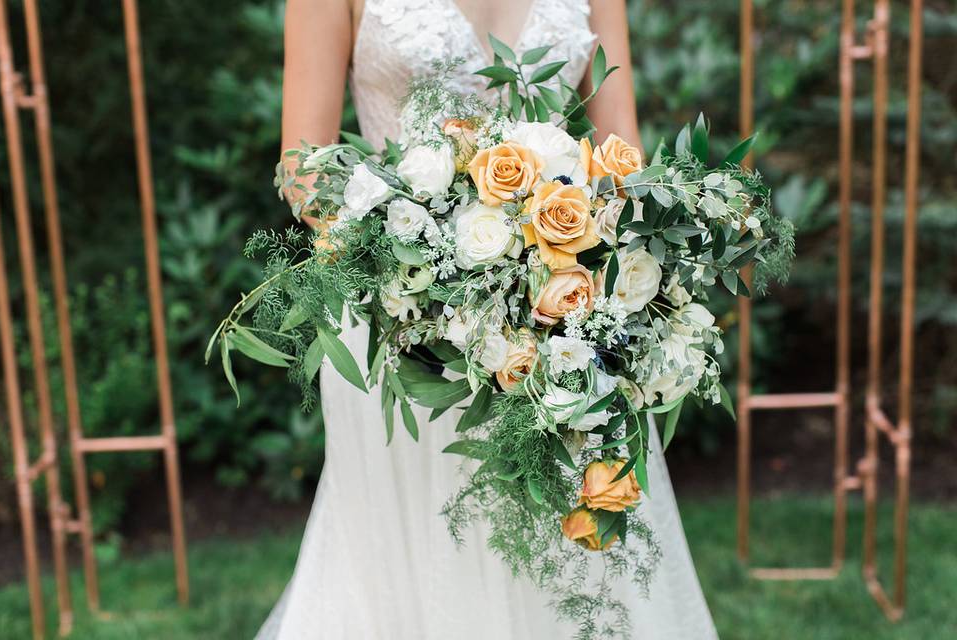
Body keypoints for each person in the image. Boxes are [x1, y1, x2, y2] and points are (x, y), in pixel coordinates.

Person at [259, 1, 717, 638]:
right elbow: (303, 169)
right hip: (402, 333)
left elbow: (622, 159)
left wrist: (560, 268)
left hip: (558, 321)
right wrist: (429, 273)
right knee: (414, 559)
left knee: (567, 564)